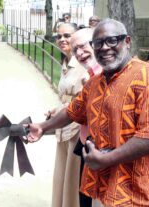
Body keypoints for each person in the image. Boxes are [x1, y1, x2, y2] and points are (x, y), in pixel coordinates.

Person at [27, 19, 149, 206]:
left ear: (127, 41)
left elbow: (146, 136)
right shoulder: (95, 83)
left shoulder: (144, 76)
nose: (104, 48)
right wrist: (43, 127)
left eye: (112, 40)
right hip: (102, 187)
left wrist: (107, 159)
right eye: (98, 43)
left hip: (135, 191)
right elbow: (72, 112)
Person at [48, 23, 88, 207]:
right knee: (62, 175)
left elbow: (86, 97)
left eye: (67, 35)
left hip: (76, 127)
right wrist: (56, 110)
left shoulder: (84, 63)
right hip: (63, 124)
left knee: (73, 178)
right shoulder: (66, 62)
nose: (62, 39)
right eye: (59, 36)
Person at [70, 28, 103, 207]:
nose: (79, 53)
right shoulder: (90, 76)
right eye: (75, 50)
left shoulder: (105, 74)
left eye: (82, 46)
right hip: (87, 145)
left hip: (103, 152)